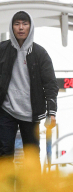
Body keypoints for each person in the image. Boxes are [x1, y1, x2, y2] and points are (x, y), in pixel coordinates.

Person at [0, 10, 57, 159]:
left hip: (31, 113)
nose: (20, 27)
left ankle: (32, 183)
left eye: (25, 24)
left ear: (30, 27)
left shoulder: (40, 53)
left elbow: (50, 84)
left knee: (32, 156)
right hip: (6, 110)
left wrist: (52, 112)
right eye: (17, 24)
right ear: (11, 27)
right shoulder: (2, 50)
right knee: (4, 153)